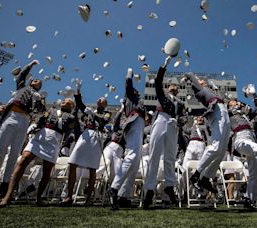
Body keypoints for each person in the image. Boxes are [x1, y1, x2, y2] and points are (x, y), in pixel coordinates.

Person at [0, 60, 45, 197]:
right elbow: (21, 76)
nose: (36, 81)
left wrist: (40, 101)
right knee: (0, 150)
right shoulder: (22, 87)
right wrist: (30, 65)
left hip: (25, 120)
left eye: (39, 82)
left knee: (15, 153)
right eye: (35, 80)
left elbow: (40, 111)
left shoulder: (39, 96)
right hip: (13, 115)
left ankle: (5, 183)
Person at [0, 98, 76, 207]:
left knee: (46, 171)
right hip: (41, 136)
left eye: (68, 101)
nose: (64, 101)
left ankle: (39, 198)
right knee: (23, 160)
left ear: (71, 106)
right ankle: (8, 195)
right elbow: (41, 119)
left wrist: (70, 137)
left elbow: (69, 131)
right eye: (63, 100)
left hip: (54, 140)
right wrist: (35, 125)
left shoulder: (72, 117)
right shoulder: (51, 110)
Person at [143, 56, 186, 209]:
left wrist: (180, 121)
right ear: (168, 88)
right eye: (172, 86)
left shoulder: (180, 103)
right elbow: (158, 80)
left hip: (173, 124)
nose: (174, 87)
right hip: (161, 119)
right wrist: (165, 65)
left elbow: (183, 117)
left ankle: (169, 186)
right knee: (154, 155)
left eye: (176, 86)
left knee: (170, 157)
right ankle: (149, 190)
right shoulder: (162, 94)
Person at [61, 81, 111, 206]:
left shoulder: (107, 113)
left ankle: (89, 199)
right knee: (72, 163)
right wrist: (78, 91)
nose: (100, 100)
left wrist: (93, 114)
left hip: (96, 137)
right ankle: (69, 196)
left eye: (103, 100)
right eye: (99, 99)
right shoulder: (90, 110)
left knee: (92, 168)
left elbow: (105, 121)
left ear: (105, 104)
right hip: (86, 135)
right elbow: (79, 104)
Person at [183, 72, 231, 194]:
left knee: (221, 151)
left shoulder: (212, 92)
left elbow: (219, 93)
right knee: (215, 147)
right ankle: (196, 175)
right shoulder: (200, 91)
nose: (202, 81)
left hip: (224, 113)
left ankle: (205, 178)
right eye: (200, 81)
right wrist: (189, 76)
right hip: (217, 113)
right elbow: (193, 78)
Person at [108, 68, 146, 210]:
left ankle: (124, 196)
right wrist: (129, 71)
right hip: (134, 123)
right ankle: (114, 188)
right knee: (132, 156)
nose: (138, 92)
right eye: (136, 90)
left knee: (135, 163)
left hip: (139, 125)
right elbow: (128, 83)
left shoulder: (138, 100)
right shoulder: (131, 97)